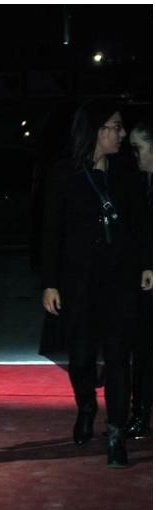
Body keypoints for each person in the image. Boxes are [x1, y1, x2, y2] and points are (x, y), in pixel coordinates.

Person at [41, 98, 152, 468]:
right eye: (116, 127)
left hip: (120, 279)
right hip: (78, 282)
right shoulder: (64, 174)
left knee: (119, 355)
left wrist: (147, 263)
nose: (122, 134)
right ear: (97, 130)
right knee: (82, 357)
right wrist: (50, 282)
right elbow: (50, 232)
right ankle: (86, 406)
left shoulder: (125, 172)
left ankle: (116, 432)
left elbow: (141, 222)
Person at [127, 118, 153, 438]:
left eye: (138, 148)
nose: (135, 155)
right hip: (144, 283)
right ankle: (140, 413)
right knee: (143, 351)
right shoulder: (141, 183)